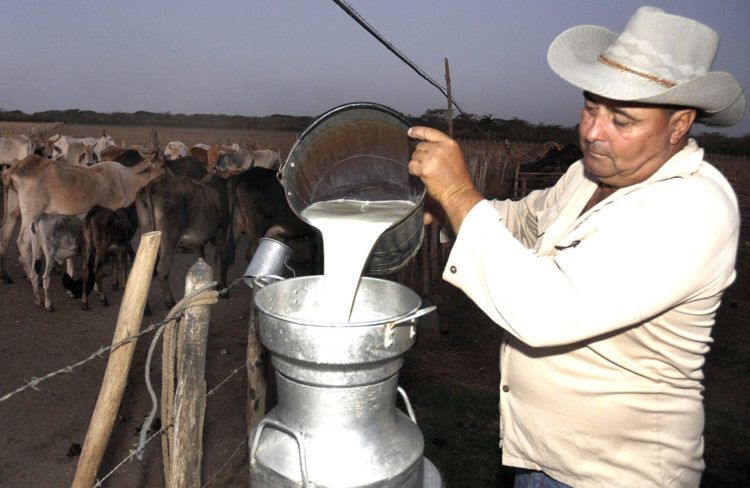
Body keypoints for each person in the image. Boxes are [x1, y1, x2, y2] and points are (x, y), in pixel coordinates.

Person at [407, 6, 744, 487]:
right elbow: (523, 222)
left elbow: (546, 312)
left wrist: (461, 195)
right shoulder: (589, 175)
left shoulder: (692, 209)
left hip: (615, 474)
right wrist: (446, 211)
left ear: (679, 124)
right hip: (541, 455)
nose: (591, 131)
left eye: (621, 120)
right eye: (591, 107)